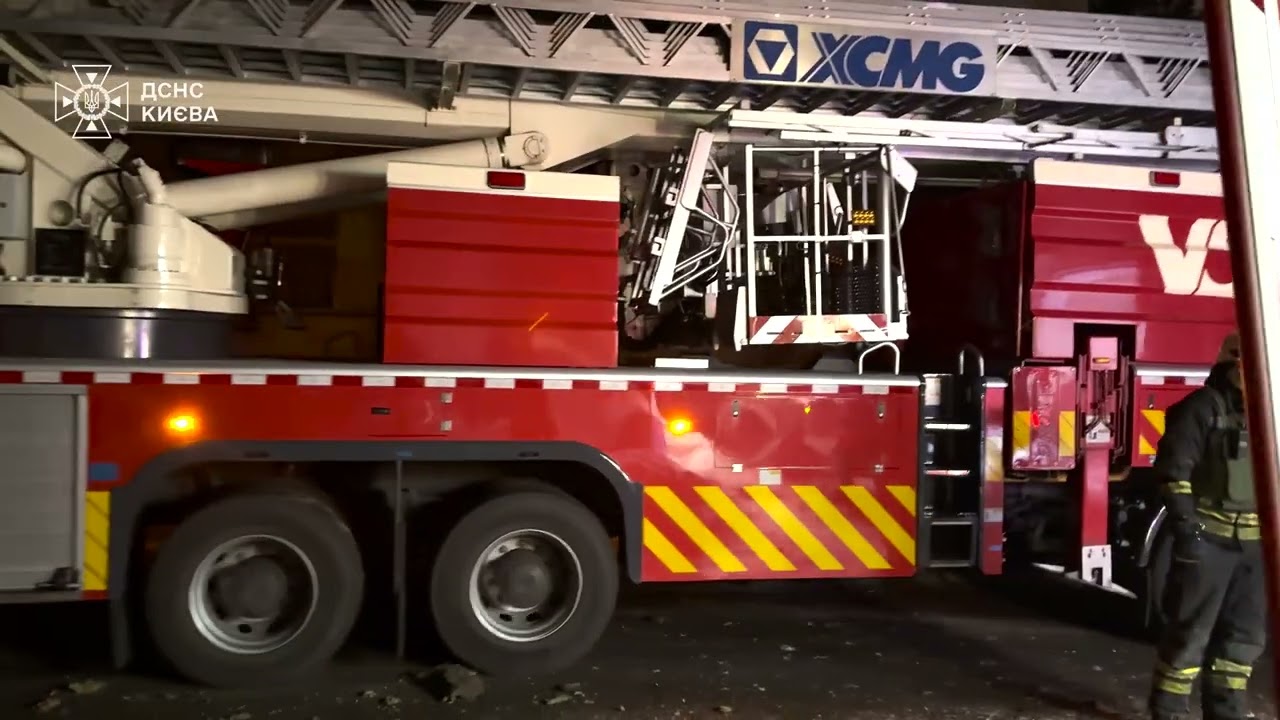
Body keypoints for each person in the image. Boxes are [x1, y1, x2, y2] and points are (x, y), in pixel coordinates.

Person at [1149, 331, 1265, 720]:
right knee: (1190, 635)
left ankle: (1226, 711)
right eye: (1245, 363)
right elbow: (1173, 475)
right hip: (1210, 544)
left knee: (1243, 639)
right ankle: (1169, 711)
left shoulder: (1270, 413)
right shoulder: (1201, 409)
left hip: (1256, 550)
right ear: (1231, 364)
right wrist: (1191, 535)